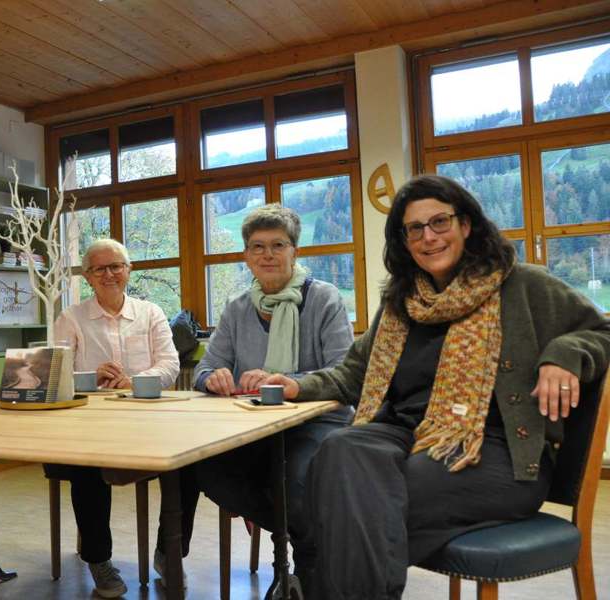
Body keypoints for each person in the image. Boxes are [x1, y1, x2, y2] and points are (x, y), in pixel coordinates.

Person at [264, 174, 610, 599]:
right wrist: (296, 387)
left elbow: (603, 332)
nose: (429, 237)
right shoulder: (401, 302)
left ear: (466, 225)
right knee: (339, 451)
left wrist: (566, 353)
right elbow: (353, 373)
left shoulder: (521, 285)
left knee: (346, 502)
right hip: (407, 436)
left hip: (493, 451)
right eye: (415, 229)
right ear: (404, 240)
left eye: (440, 222)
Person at [192, 204, 354, 594]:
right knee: (203, 469)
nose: (267, 254)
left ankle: (304, 574)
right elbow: (204, 369)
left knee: (297, 481)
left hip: (318, 423)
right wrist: (210, 377)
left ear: (294, 251)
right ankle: (309, 543)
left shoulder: (324, 300)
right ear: (246, 256)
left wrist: (285, 381)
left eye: (278, 245)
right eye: (257, 246)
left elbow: (345, 375)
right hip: (251, 426)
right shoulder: (237, 307)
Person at [49, 238, 180, 598]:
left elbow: (170, 365)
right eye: (99, 268)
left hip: (146, 422)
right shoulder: (71, 318)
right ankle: (98, 558)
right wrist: (91, 375)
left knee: (189, 460)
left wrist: (134, 381)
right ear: (87, 276)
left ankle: (168, 553)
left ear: (129, 270)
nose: (109, 274)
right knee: (86, 463)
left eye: (116, 266)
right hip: (89, 426)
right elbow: (55, 373)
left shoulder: (150, 313)